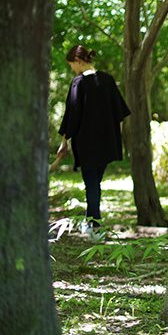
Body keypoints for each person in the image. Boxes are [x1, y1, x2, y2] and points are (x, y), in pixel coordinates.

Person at [56, 45, 131, 236]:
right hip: (107, 142)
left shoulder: (78, 83)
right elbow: (120, 113)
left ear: (78, 61)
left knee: (92, 184)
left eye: (72, 65)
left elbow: (72, 114)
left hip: (87, 143)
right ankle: (93, 223)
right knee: (95, 183)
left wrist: (64, 140)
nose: (72, 69)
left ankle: (94, 225)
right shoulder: (107, 80)